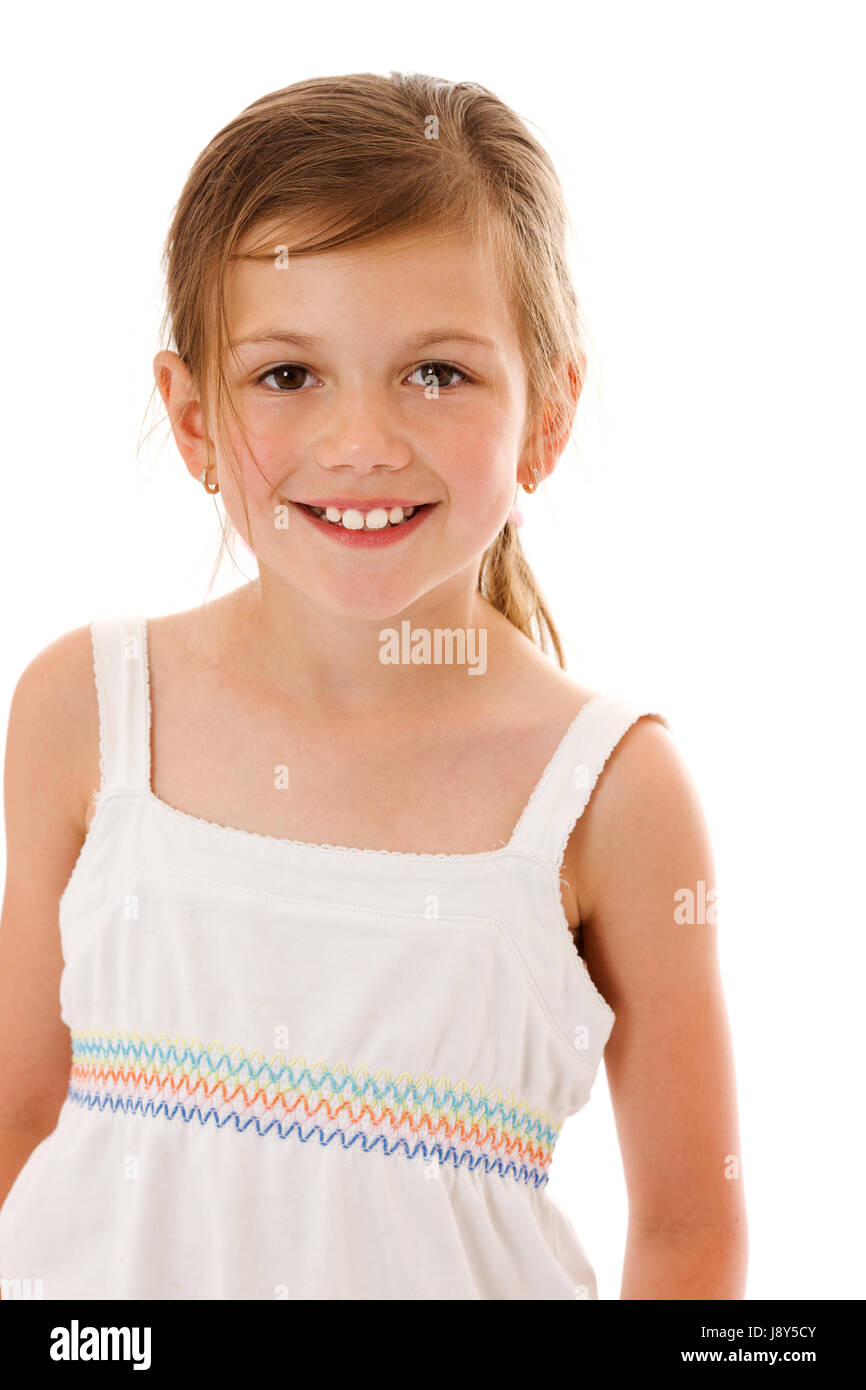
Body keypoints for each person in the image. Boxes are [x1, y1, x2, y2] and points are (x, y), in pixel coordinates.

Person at [0, 72, 746, 1300]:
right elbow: (22, 1109)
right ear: (190, 418)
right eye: (287, 375)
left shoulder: (609, 792)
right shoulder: (83, 712)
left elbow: (685, 1229)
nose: (361, 441)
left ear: (546, 417)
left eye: (436, 373)